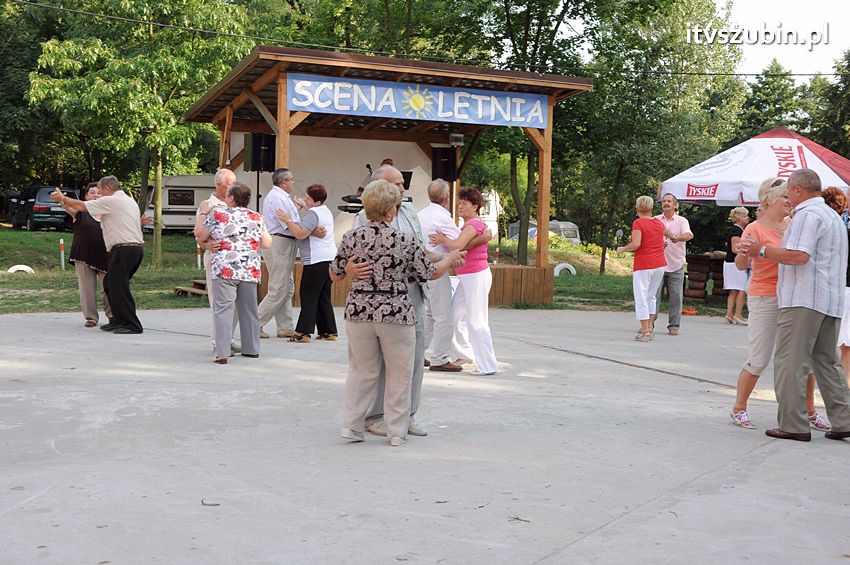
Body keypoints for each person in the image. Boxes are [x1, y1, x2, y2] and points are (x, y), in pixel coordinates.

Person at [330, 179, 464, 446]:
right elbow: (429, 273)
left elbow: (334, 273)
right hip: (395, 314)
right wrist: (449, 259)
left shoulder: (351, 237)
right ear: (391, 210)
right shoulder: (403, 239)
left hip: (359, 313)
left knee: (361, 370)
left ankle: (351, 426)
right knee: (400, 373)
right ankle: (396, 431)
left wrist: (347, 272)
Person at [739, 169, 850, 441]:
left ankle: (793, 424)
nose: (788, 196)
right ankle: (844, 420)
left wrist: (761, 251)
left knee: (791, 361)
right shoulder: (832, 216)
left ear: (799, 190)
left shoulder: (807, 216)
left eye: (789, 190)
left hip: (803, 299)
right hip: (830, 300)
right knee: (827, 361)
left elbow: (799, 256)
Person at [729, 178, 829, 431]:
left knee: (802, 359)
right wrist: (744, 252)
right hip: (765, 296)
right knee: (760, 358)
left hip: (794, 297)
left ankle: (809, 412)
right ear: (770, 200)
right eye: (785, 197)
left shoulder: (792, 225)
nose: (790, 202)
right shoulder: (753, 228)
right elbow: (741, 266)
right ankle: (739, 408)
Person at [347, 164, 430, 437]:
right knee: (378, 362)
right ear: (379, 187)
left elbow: (420, 250)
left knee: (414, 358)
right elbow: (349, 260)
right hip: (377, 299)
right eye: (397, 184)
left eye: (402, 184)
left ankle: (408, 416)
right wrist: (349, 270)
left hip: (412, 292)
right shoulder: (361, 218)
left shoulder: (409, 212)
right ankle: (375, 416)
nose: (402, 188)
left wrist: (443, 255)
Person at [51, 176, 144, 334]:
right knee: (110, 284)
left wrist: (61, 198)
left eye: (100, 192)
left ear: (108, 189)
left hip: (124, 249)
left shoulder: (113, 200)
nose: (99, 195)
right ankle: (117, 320)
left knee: (119, 287)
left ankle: (131, 324)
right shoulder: (128, 200)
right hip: (129, 249)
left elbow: (81, 205)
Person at [194, 182, 271, 364]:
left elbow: (201, 234)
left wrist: (204, 212)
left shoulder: (218, 214)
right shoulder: (256, 217)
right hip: (249, 270)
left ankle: (222, 352)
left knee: (223, 310)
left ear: (231, 198)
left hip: (225, 269)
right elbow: (267, 243)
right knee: (249, 310)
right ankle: (251, 349)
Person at [430, 187, 498, 375]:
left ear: (475, 206)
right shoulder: (470, 225)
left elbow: (458, 245)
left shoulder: (472, 225)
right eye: (459, 202)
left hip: (475, 275)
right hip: (467, 276)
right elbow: (466, 245)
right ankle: (464, 352)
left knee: (476, 320)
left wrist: (443, 239)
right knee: (455, 314)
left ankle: (487, 365)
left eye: (465, 203)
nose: (460, 206)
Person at [275, 183, 338, 342]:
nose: (305, 199)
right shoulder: (325, 210)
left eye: (308, 198)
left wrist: (288, 220)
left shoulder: (313, 214)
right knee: (323, 296)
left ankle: (302, 333)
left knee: (308, 295)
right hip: (329, 258)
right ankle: (328, 331)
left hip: (315, 260)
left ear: (317, 201)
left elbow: (301, 234)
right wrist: (305, 206)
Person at [418, 179, 463, 372]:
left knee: (429, 314)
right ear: (446, 197)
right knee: (444, 315)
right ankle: (440, 357)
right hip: (437, 266)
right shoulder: (443, 218)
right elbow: (460, 242)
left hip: (420, 267)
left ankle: (418, 354)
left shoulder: (420, 215)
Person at [257, 168, 303, 339]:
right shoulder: (277, 198)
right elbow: (288, 224)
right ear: (283, 183)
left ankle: (285, 326)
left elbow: (290, 220)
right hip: (280, 242)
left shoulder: (282, 197)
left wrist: (298, 208)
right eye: (291, 179)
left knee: (286, 287)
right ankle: (255, 322)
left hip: (285, 242)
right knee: (278, 288)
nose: (294, 182)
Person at [197, 169, 239, 353]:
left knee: (236, 303)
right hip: (217, 259)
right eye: (230, 183)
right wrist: (206, 245)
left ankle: (228, 337)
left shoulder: (236, 202)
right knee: (219, 303)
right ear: (219, 184)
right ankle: (218, 343)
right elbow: (198, 234)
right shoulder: (208, 205)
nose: (234, 187)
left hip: (236, 260)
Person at [617, 196, 666, 341]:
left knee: (641, 297)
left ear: (637, 208)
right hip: (660, 264)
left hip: (644, 264)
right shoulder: (658, 222)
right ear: (651, 208)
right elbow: (666, 234)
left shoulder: (638, 223)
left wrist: (623, 249)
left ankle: (645, 331)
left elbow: (636, 244)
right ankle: (650, 327)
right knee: (651, 296)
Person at [64, 182, 111, 328]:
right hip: (83, 255)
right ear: (86, 196)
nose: (96, 194)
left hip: (105, 255)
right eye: (92, 192)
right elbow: (68, 208)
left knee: (109, 288)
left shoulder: (109, 213)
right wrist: (61, 199)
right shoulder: (81, 212)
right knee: (87, 288)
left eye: (99, 192)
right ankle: (91, 318)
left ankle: (112, 316)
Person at [653, 193, 693, 336]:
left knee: (676, 296)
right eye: (664, 201)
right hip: (657, 264)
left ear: (675, 205)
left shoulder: (682, 220)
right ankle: (649, 324)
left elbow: (689, 235)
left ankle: (674, 326)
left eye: (669, 201)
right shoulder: (655, 220)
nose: (666, 203)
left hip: (676, 264)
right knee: (653, 296)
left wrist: (677, 237)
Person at [822, 187, 850, 388]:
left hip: (846, 286)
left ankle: (845, 389)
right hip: (844, 285)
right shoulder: (841, 223)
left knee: (847, 344)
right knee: (845, 344)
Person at [724, 207, 750, 325]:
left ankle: (729, 314)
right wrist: (746, 251)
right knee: (741, 289)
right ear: (739, 218)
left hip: (731, 263)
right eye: (745, 216)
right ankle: (738, 314)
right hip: (734, 263)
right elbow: (735, 248)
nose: (747, 218)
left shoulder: (736, 230)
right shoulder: (736, 231)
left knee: (734, 290)